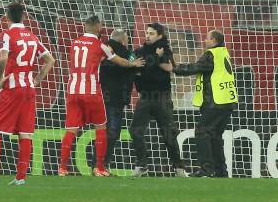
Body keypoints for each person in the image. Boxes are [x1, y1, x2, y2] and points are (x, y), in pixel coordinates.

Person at [0, 2, 56, 185]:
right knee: (25, 133)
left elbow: (2, 58)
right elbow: (50, 60)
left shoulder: (6, 35)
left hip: (12, 87)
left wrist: (0, 78)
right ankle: (20, 178)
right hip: (29, 89)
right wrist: (38, 80)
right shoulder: (33, 37)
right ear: (23, 16)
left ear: (7, 17)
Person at [58, 15, 143, 177]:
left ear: (85, 26)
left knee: (71, 130)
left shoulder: (74, 44)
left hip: (73, 91)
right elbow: (119, 61)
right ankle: (100, 168)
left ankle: (62, 168)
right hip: (91, 92)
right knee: (101, 128)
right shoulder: (101, 45)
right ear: (98, 27)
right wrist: (133, 63)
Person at [173, 30, 237, 178]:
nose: (204, 41)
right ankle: (221, 171)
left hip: (216, 101)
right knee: (214, 136)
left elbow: (196, 67)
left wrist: (175, 69)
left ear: (214, 40)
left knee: (202, 132)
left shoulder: (211, 54)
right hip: (227, 101)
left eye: (207, 38)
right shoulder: (223, 53)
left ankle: (206, 170)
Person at [130, 23, 189, 178]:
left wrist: (146, 66)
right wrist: (152, 61)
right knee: (135, 130)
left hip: (162, 97)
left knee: (168, 134)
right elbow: (133, 64)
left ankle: (179, 168)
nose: (147, 36)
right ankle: (142, 164)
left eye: (151, 33)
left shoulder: (166, 50)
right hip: (145, 97)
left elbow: (170, 67)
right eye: (147, 33)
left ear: (160, 35)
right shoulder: (140, 51)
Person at [99, 29, 136, 170]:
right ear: (123, 41)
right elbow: (137, 65)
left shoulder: (102, 48)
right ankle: (103, 164)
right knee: (113, 131)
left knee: (101, 130)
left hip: (99, 95)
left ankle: (99, 164)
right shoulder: (127, 53)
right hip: (116, 98)